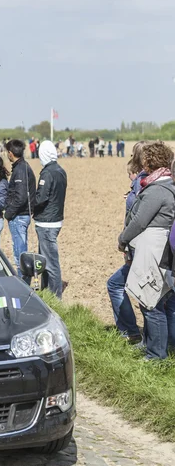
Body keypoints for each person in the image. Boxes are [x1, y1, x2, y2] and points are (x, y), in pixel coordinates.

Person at [118, 142, 175, 360]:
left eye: (145, 159)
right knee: (154, 301)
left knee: (151, 302)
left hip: (153, 250)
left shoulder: (158, 189)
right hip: (156, 248)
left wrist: (123, 239)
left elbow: (140, 221)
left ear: (149, 162)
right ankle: (154, 347)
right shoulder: (166, 183)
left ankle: (156, 355)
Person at [106, 142, 149, 343]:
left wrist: (124, 243)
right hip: (143, 249)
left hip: (139, 249)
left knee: (117, 285)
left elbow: (137, 220)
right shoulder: (151, 183)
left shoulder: (143, 184)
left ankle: (131, 332)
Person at [33, 141, 67, 298]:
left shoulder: (47, 173)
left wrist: (29, 202)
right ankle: (46, 293)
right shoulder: (61, 171)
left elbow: (41, 198)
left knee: (51, 263)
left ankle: (55, 297)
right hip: (56, 219)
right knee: (45, 261)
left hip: (46, 222)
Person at [4, 139, 36, 284]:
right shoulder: (21, 167)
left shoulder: (21, 169)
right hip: (20, 215)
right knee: (20, 252)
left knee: (19, 255)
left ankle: (23, 286)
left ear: (10, 153)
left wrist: (9, 213)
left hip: (19, 216)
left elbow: (21, 197)